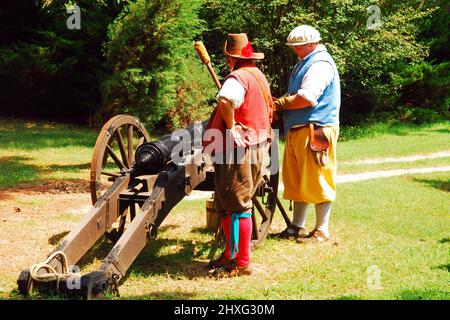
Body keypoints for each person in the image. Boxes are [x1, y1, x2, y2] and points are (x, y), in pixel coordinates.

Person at [204, 33, 273, 276]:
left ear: (230, 57)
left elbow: (225, 100)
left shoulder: (238, 77)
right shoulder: (258, 75)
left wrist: (231, 127)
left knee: (239, 203)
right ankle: (230, 254)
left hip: (239, 148)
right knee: (228, 202)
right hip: (256, 143)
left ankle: (242, 262)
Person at [273, 25, 341, 243]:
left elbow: (306, 98)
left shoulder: (320, 64)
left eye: (298, 46)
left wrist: (279, 104)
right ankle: (296, 226)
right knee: (297, 179)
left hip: (317, 130)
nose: (295, 50)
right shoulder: (305, 62)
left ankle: (322, 230)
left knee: (318, 178)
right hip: (300, 129)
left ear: (311, 44)